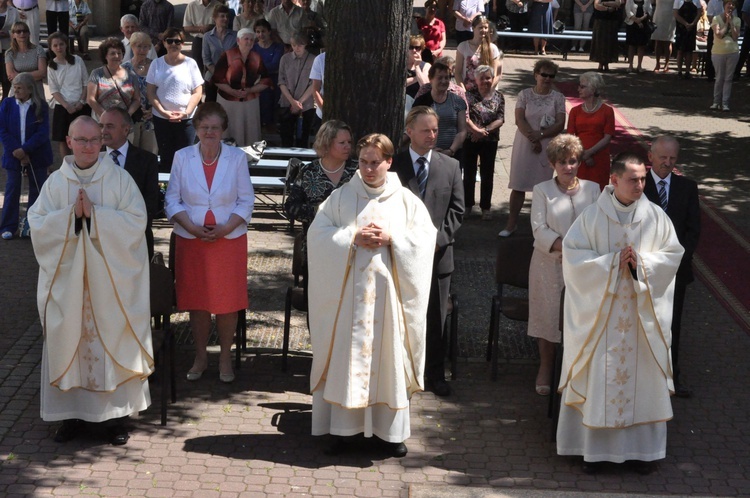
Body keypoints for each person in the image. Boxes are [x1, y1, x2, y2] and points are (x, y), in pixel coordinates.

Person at [307, 133, 437, 458]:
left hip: (388, 300)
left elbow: (425, 239)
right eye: (363, 162)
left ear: (388, 162)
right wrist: (351, 236)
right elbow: (316, 235)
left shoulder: (405, 200)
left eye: (374, 163)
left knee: (388, 359)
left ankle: (390, 433)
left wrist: (394, 239)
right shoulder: (340, 198)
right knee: (345, 359)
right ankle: (342, 430)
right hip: (348, 300)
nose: (367, 169)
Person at [28, 116, 153, 446]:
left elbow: (136, 223)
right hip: (69, 287)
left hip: (110, 286)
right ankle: (70, 417)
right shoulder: (56, 183)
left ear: (103, 141)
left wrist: (96, 217)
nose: (87, 146)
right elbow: (37, 225)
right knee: (71, 340)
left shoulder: (120, 180)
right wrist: (71, 218)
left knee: (109, 341)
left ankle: (116, 418)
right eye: (80, 140)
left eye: (94, 140)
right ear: (68, 142)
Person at [557, 152, 684, 475]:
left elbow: (673, 255)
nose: (640, 185)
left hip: (642, 320)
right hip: (602, 319)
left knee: (642, 382)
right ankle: (594, 454)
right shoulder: (591, 217)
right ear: (614, 180)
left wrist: (642, 264)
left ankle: (642, 453)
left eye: (643, 178)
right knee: (600, 377)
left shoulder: (656, 217)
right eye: (633, 179)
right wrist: (613, 263)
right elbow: (573, 261)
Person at [165, 102, 255, 384]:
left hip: (228, 240)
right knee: (198, 301)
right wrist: (191, 226)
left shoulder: (237, 158)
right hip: (191, 240)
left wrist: (226, 227)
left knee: (228, 302)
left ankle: (225, 356)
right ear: (196, 128)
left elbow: (246, 200)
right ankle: (201, 356)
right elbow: (171, 199)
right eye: (204, 127)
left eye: (215, 127)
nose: (210, 132)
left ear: (223, 129)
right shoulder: (182, 157)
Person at [393, 106, 465, 397]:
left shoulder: (450, 166)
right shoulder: (394, 166)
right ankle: (400, 372)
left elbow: (458, 210)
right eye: (426, 130)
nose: (432, 135)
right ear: (409, 131)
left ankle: (434, 374)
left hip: (438, 256)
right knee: (400, 315)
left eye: (435, 130)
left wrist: (438, 239)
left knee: (436, 319)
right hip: (400, 256)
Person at [527, 134, 599, 395]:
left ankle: (575, 369)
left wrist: (583, 250)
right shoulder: (541, 190)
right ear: (552, 164)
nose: (568, 167)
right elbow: (539, 229)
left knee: (580, 318)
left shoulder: (593, 190)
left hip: (583, 268)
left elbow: (598, 227)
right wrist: (567, 247)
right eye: (562, 162)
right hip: (548, 265)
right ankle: (545, 367)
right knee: (548, 316)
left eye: (573, 161)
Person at [644, 135, 700, 399]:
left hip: (676, 270)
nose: (667, 163)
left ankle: (671, 377)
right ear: (650, 156)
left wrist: (677, 260)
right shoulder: (637, 186)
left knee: (672, 324)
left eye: (672, 158)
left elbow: (693, 230)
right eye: (663, 158)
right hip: (643, 268)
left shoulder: (687, 187)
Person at [500, 59, 565, 237]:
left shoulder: (558, 98)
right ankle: (511, 224)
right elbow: (519, 119)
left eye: (551, 76)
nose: (547, 78)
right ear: (536, 75)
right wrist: (533, 138)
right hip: (525, 144)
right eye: (544, 74)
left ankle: (542, 228)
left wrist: (541, 136)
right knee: (519, 185)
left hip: (547, 145)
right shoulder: (524, 94)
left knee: (544, 189)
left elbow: (560, 124)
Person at [283, 119, 357, 258]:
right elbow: (291, 207)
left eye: (349, 142)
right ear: (327, 144)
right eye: (342, 143)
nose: (347, 146)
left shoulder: (357, 171)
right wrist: (319, 210)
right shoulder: (308, 171)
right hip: (316, 243)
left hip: (353, 245)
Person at [100, 107, 160, 259]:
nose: (103, 131)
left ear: (126, 130)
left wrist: (125, 225)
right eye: (101, 126)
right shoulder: (93, 160)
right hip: (100, 241)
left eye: (110, 126)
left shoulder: (147, 161)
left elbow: (151, 203)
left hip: (136, 241)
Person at [0, 73, 51, 240]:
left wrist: (26, 149)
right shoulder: (7, 104)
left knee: (37, 190)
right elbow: (3, 130)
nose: (15, 90)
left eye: (19, 87)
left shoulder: (40, 105)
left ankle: (32, 225)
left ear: (29, 89)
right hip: (13, 154)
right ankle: (8, 226)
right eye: (14, 86)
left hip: (37, 154)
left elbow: (43, 132)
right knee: (12, 188)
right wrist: (17, 150)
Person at [146, 27, 204, 172]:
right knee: (166, 158)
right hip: (161, 119)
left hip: (186, 120)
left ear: (182, 44)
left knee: (186, 158)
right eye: (169, 41)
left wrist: (187, 112)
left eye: (177, 41)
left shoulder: (191, 63)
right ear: (164, 43)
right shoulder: (156, 64)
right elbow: (151, 93)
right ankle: (167, 191)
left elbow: (198, 92)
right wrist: (163, 112)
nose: (173, 44)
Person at [212, 27, 272, 146]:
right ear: (238, 40)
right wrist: (232, 91)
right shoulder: (227, 55)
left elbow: (266, 80)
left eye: (251, 39)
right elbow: (217, 79)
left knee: (250, 132)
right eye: (246, 39)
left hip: (249, 101)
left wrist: (251, 90)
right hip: (228, 100)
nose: (249, 42)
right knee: (229, 129)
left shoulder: (257, 57)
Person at [464, 65, 504, 220]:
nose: (485, 81)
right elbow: (465, 117)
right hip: (470, 139)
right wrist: (475, 131)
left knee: (487, 174)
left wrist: (483, 131)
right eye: (482, 78)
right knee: (469, 173)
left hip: (490, 140)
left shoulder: (498, 96)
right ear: (476, 79)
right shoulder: (468, 96)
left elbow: (500, 119)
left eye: (488, 77)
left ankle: (485, 208)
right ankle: (467, 206)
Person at [566, 71, 614, 191]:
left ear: (593, 89)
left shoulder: (607, 111)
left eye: (582, 86)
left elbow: (607, 137)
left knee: (598, 192)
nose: (578, 89)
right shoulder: (575, 111)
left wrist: (590, 153)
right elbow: (570, 137)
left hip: (599, 159)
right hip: (579, 158)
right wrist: (584, 155)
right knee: (578, 192)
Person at [413, 62, 467, 162]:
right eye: (440, 78)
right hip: (426, 155)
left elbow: (462, 131)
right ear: (431, 79)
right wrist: (429, 150)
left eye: (447, 78)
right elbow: (414, 129)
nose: (444, 81)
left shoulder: (458, 102)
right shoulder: (421, 102)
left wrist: (450, 150)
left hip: (453, 156)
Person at [47, 31, 89, 159]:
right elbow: (54, 90)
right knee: (63, 139)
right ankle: (67, 165)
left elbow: (86, 83)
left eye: (61, 44)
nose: (59, 48)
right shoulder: (51, 66)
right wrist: (67, 106)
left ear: (66, 45)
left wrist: (81, 102)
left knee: (83, 137)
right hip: (63, 106)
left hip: (80, 104)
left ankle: (83, 161)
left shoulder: (78, 60)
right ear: (51, 48)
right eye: (55, 45)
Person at [87, 38, 141, 123]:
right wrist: (106, 117)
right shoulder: (97, 74)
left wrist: (127, 115)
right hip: (102, 122)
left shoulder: (131, 75)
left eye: (119, 53)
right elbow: (90, 99)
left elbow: (137, 99)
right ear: (105, 56)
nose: (116, 56)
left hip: (124, 124)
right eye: (112, 53)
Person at [121, 31, 158, 154]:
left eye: (146, 46)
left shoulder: (156, 66)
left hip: (152, 116)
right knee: (131, 152)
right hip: (132, 116)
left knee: (150, 154)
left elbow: (162, 91)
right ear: (132, 46)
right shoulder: (124, 68)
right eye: (138, 46)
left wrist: (154, 109)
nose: (142, 50)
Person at [277, 31, 315, 147]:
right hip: (287, 102)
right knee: (286, 136)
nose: (297, 48)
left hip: (306, 104)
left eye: (300, 45)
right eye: (294, 45)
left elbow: (314, 83)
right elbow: (281, 81)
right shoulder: (285, 59)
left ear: (305, 45)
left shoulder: (313, 59)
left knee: (303, 137)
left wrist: (299, 102)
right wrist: (292, 102)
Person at [455, 15, 502, 92]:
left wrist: (489, 91)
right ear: (473, 28)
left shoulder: (493, 48)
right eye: (480, 27)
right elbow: (457, 72)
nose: (483, 30)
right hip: (468, 91)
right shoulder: (463, 46)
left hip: (487, 92)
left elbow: (496, 75)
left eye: (486, 28)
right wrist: (463, 91)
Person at [202, 4, 238, 102]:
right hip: (212, 78)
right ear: (215, 18)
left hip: (230, 78)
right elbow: (206, 59)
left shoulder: (235, 36)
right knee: (211, 107)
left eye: (227, 16)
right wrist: (219, 75)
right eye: (222, 16)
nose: (225, 19)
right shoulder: (207, 37)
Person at [252, 19, 284, 128]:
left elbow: (275, 65)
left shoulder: (278, 47)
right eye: (258, 32)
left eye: (263, 31)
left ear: (269, 31)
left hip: (274, 82)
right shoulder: (253, 47)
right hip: (257, 82)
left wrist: (259, 68)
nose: (260, 34)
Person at [709, 0, 739, 111]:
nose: (730, 6)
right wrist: (726, 23)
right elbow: (719, 35)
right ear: (724, 5)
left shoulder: (737, 20)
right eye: (728, 4)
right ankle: (716, 102)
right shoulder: (716, 19)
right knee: (719, 78)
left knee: (728, 78)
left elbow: (735, 37)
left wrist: (731, 23)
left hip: (733, 52)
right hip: (718, 52)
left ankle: (725, 103)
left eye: (733, 5)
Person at [4, 21, 46, 97]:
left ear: (29, 33)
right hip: (17, 93)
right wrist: (34, 75)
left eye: (25, 31)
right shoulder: (9, 53)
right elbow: (11, 75)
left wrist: (19, 75)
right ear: (13, 35)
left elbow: (42, 73)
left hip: (36, 92)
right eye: (18, 31)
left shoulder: (38, 50)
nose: (22, 33)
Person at [183, 0, 222, 75]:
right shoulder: (192, 6)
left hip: (214, 38)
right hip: (198, 39)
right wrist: (200, 29)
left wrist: (210, 27)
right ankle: (198, 84)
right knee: (196, 66)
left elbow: (224, 24)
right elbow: (186, 27)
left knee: (214, 65)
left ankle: (211, 83)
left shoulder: (218, 5)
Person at [673, 0, 704, 78]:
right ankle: (679, 71)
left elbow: (699, 12)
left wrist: (693, 23)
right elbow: (676, 14)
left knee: (689, 50)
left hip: (692, 28)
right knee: (680, 50)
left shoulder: (696, 1)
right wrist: (685, 23)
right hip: (681, 28)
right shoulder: (678, 1)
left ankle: (687, 71)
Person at [590, 0, 623, 72]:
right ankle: (600, 63)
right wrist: (607, 8)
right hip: (600, 21)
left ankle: (607, 63)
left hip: (612, 21)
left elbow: (618, 4)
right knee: (600, 42)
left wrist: (604, 3)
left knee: (610, 42)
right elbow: (597, 5)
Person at [625, 0, 653, 72]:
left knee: (641, 46)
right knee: (631, 46)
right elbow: (628, 11)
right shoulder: (629, 0)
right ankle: (630, 65)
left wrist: (640, 19)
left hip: (643, 24)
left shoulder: (647, 1)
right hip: (631, 24)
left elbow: (649, 11)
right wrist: (636, 20)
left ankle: (639, 66)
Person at [0, 0, 20, 99]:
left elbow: (19, 29)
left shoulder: (14, 11)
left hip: (8, 48)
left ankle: (5, 100)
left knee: (6, 78)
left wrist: (8, 33)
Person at [652, 0, 677, 72]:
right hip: (659, 16)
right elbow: (652, 2)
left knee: (668, 41)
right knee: (658, 41)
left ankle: (667, 64)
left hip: (670, 17)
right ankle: (657, 63)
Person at [405, 34, 431, 103]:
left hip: (419, 102)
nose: (414, 50)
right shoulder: (400, 65)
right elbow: (398, 85)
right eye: (411, 47)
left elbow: (425, 85)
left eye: (417, 48)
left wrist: (417, 67)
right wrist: (417, 78)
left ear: (421, 49)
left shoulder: (426, 66)